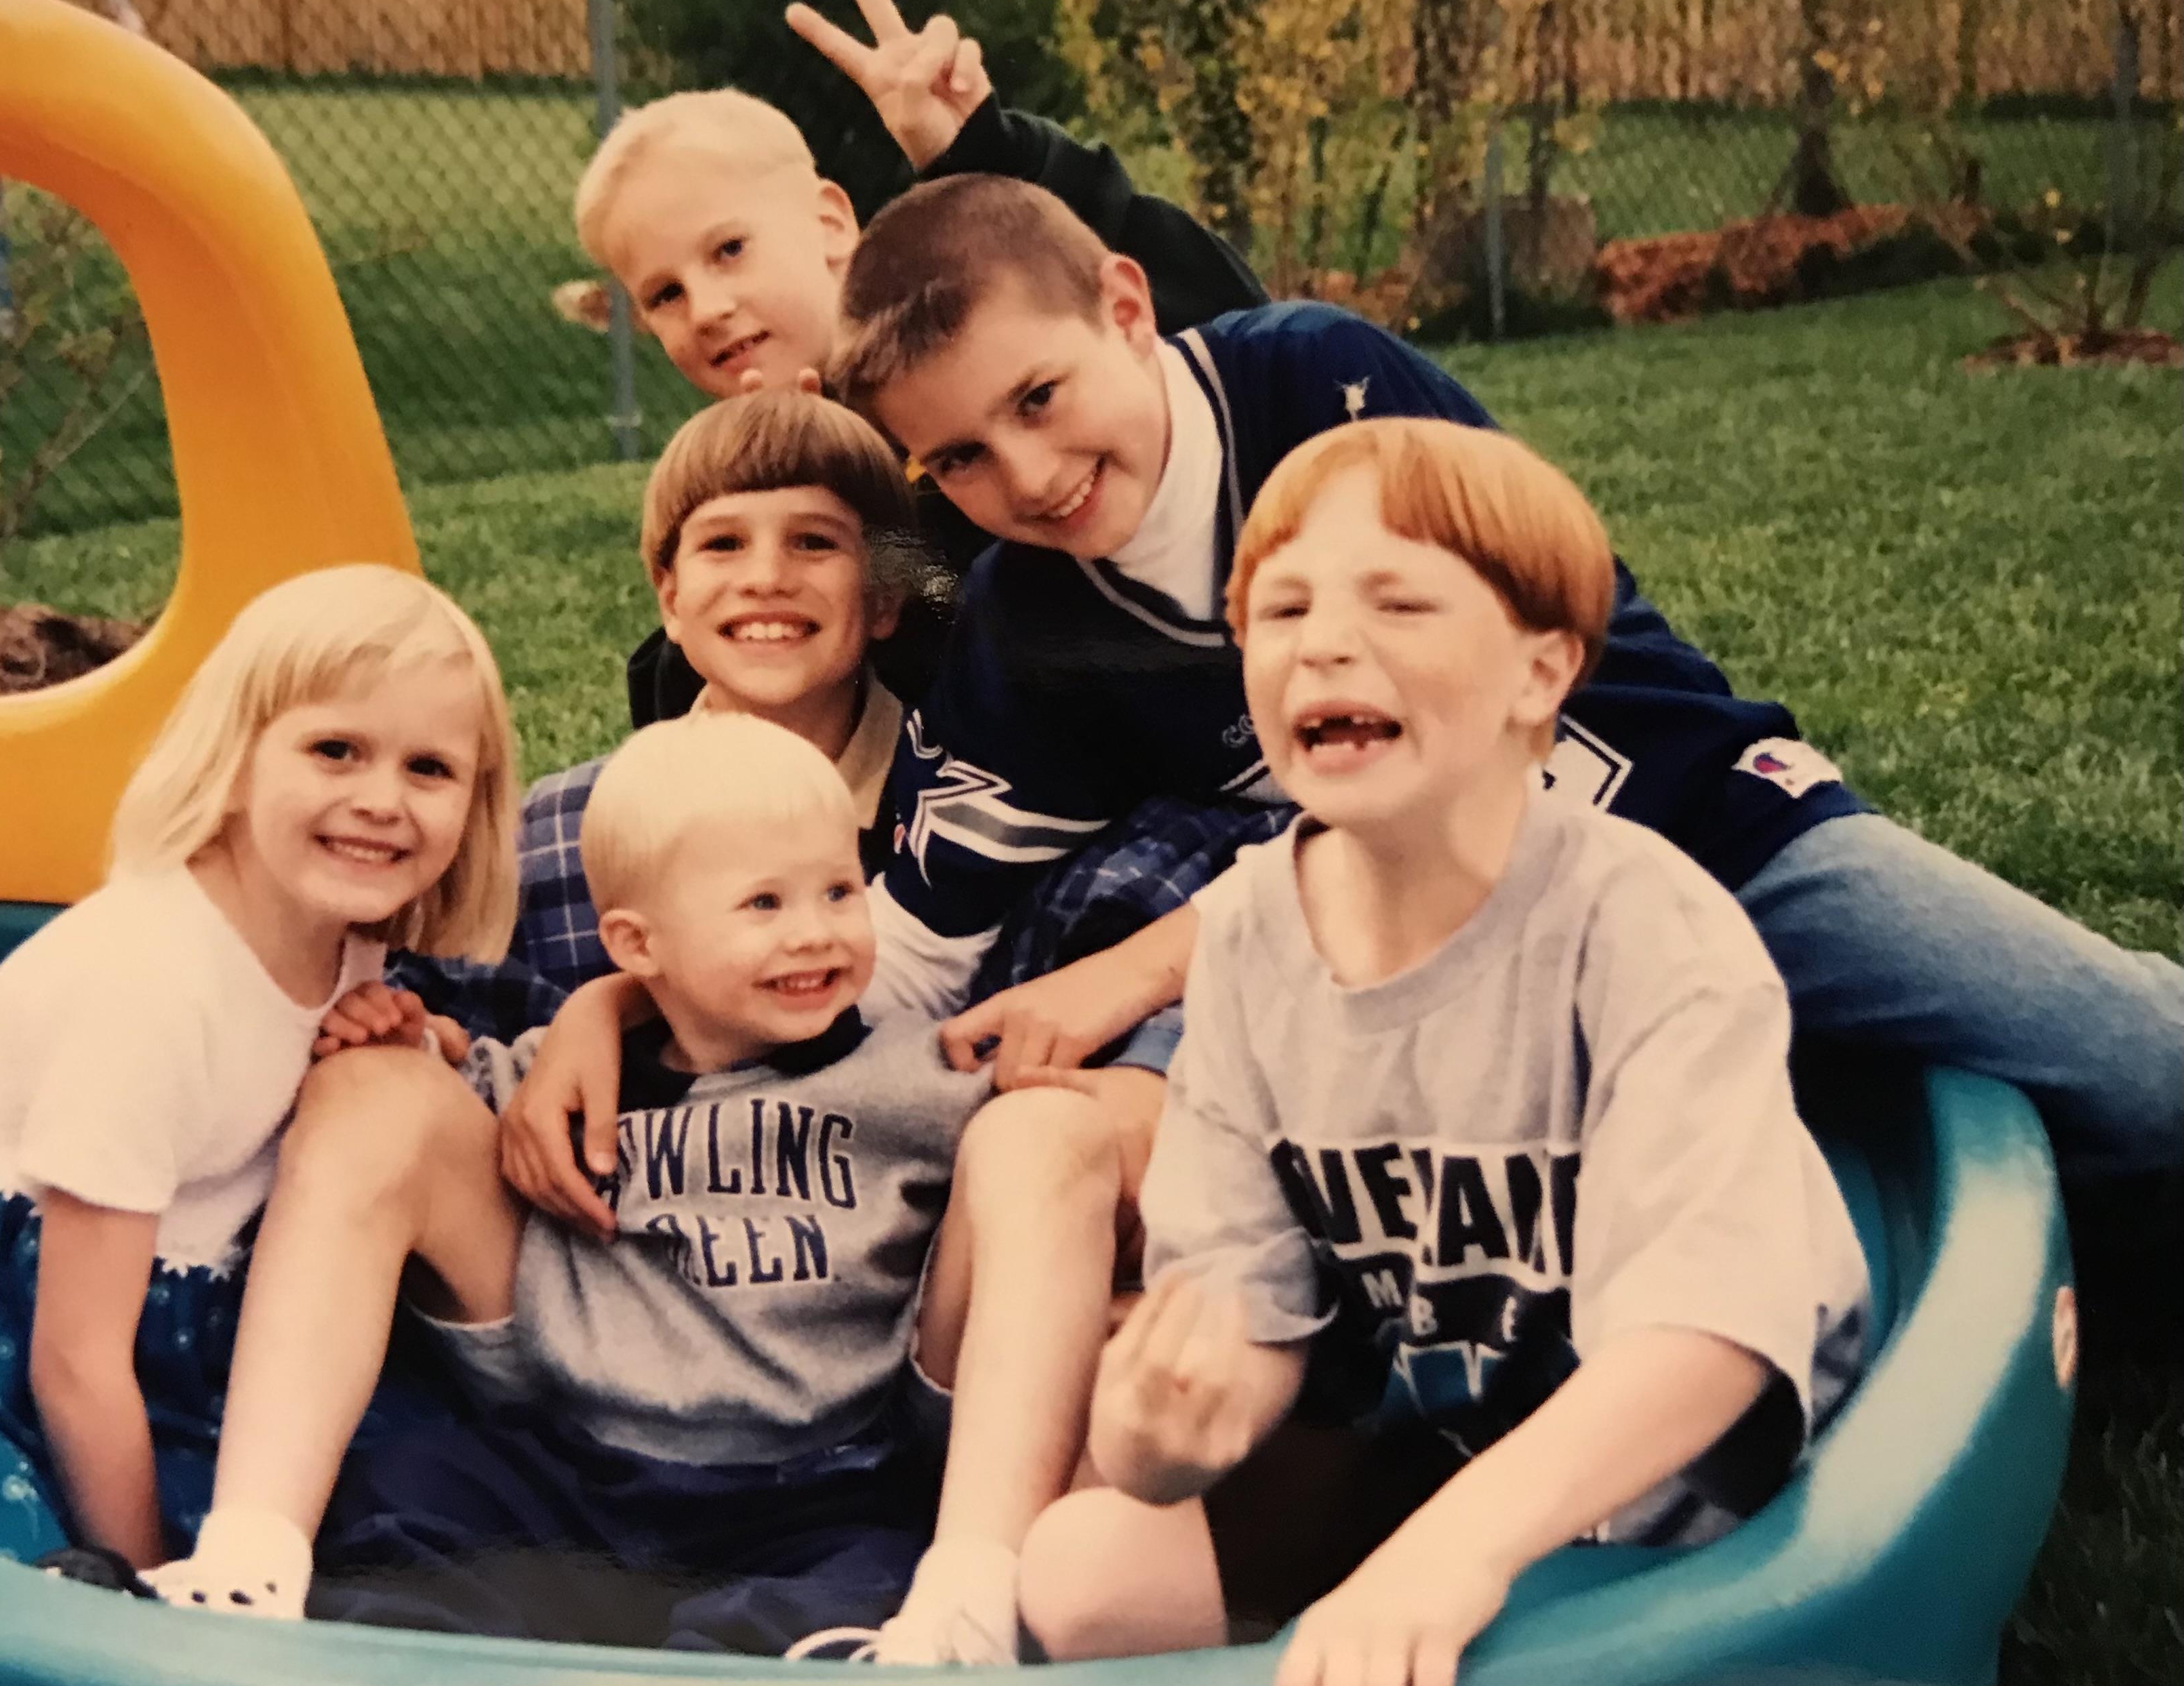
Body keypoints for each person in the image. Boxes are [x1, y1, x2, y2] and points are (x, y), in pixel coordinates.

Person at [824, 171, 2184, 1191]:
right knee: (1177, 1159)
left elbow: (1462, 755)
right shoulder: (1026, 618)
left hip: (1698, 830)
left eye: (1039, 399)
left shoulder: (1321, 391)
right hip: (1436, 966)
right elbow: (921, 938)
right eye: (957, 462)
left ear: (1127, 308)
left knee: (2139, 1073)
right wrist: (640, 1013)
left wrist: (1131, 969)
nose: (1025, 475)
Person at [1012, 417, 1871, 1686]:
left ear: (1542, 669)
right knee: (1089, 1561)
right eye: (1281, 608)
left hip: (1672, 1485)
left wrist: (1449, 1555)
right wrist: (1170, 1424)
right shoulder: (1246, 938)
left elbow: (1707, 1335)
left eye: (1398, 599)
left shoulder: (1638, 923)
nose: (1325, 641)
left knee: (1513, 1647)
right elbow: (1244, 1306)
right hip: (1434, 1438)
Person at [150, 716, 1125, 1665]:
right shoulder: (549, 1080)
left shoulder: (917, 1076)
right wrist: (402, 1036)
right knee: (368, 1106)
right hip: (569, 1467)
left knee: (1047, 1129)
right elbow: (419, 1120)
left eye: (837, 890)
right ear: (635, 943)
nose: (814, 934)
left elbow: (1088, 1153)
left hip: (823, 1492)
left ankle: (968, 1598)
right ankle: (251, 1557)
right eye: (762, 905)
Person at [0, 565, 519, 1569]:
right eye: (335, 750)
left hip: (176, 1281)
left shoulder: (342, 919)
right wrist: (144, 1586)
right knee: (7, 1553)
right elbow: (74, 1361)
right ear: (232, 765)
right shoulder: (151, 992)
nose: (380, 801)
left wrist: (414, 1038)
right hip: (1, 1313)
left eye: (429, 769)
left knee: (420, 1490)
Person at [572, 0, 1263, 724]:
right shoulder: (756, 465)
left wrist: (987, 152)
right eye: (665, 294)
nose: (704, 307)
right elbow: (942, 613)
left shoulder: (956, 309)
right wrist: (821, 508)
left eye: (730, 250)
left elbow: (1209, 315)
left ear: (831, 220)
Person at [509, 390, 928, 1001]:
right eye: (723, 544)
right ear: (670, 599)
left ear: (885, 597)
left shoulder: (962, 806)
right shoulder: (559, 833)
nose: (765, 579)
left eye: (814, 541)